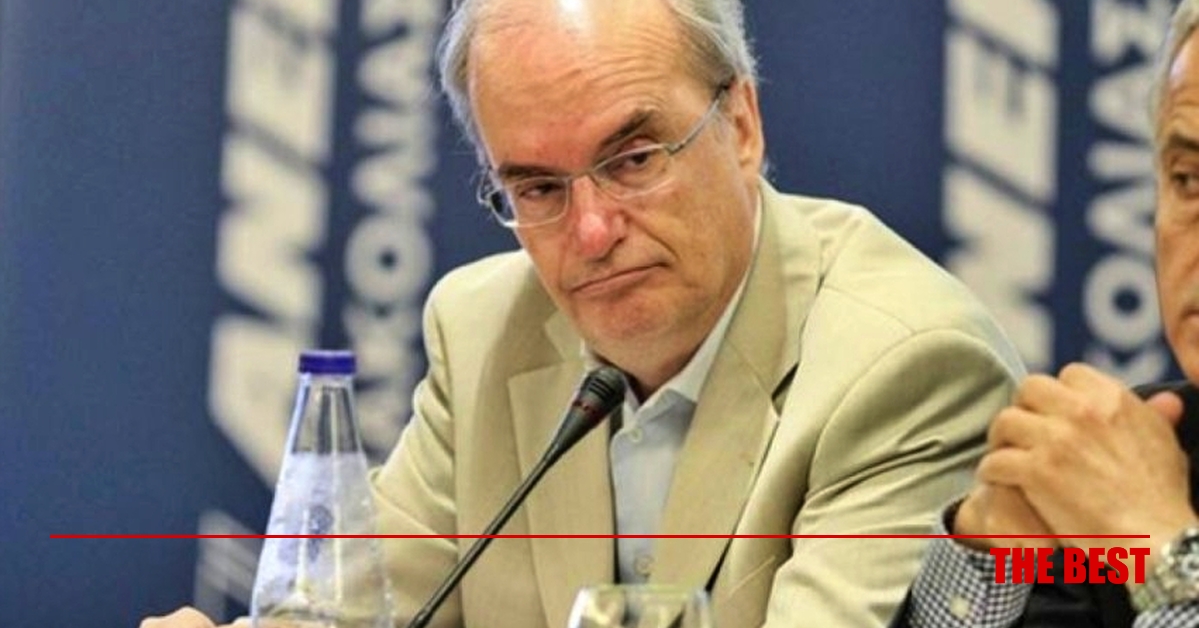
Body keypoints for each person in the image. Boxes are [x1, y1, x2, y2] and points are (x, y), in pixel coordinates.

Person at [139, 0, 1025, 627]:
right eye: (537, 189)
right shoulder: (483, 329)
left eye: (633, 159)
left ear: (741, 126)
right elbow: (359, 609)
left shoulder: (905, 366)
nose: (592, 232)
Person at [894, 1, 1199, 626]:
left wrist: (1169, 559)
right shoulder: (1134, 458)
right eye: (1189, 181)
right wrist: (988, 557)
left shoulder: (1137, 507)